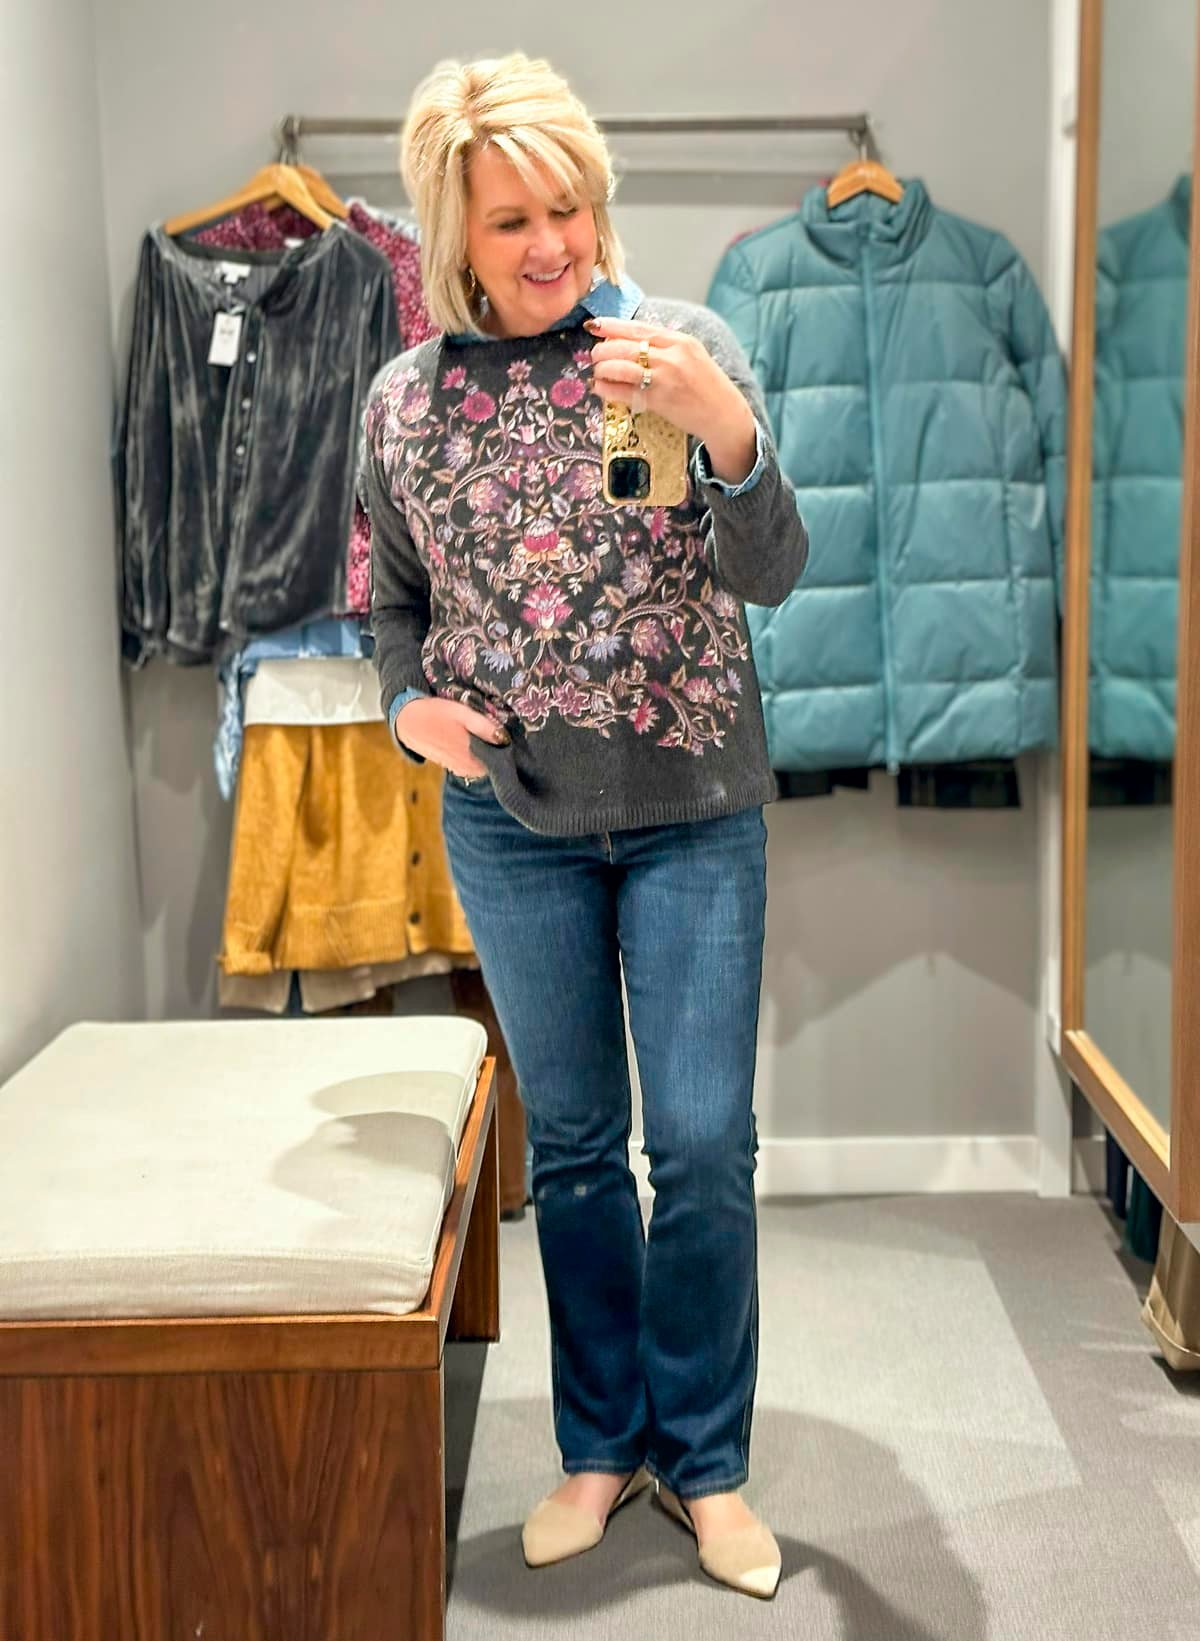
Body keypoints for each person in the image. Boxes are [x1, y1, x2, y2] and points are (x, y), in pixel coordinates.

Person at [362, 51, 809, 1601]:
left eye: (567, 207)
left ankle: (709, 1459)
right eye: (511, 221)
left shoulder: (682, 348)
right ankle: (600, 1442)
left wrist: (724, 427)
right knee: (569, 1150)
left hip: (694, 818)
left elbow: (774, 572)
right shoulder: (405, 404)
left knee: (702, 1145)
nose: (550, 242)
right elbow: (393, 613)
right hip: (513, 826)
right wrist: (411, 717)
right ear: (456, 237)